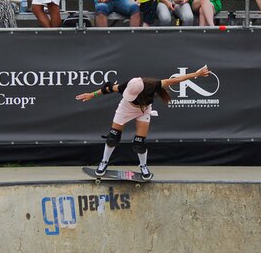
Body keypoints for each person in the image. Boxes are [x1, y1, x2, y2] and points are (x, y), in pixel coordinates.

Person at [77, 66, 213, 180]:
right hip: (125, 109)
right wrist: (91, 95)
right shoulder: (126, 86)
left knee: (139, 143)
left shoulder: (153, 85)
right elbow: (107, 89)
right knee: (113, 137)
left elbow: (177, 79)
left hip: (144, 110)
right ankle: (104, 162)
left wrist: (197, 74)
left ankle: (143, 166)